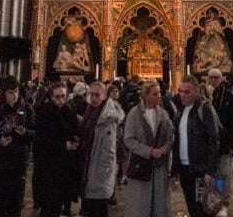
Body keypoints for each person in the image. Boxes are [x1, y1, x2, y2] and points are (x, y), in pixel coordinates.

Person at [170, 75, 221, 217]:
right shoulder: (180, 112)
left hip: (201, 171)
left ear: (197, 91)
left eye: (187, 92)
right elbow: (177, 143)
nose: (182, 95)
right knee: (192, 208)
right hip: (186, 170)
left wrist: (210, 171)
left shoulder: (205, 109)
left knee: (203, 209)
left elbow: (214, 140)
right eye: (180, 91)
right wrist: (174, 171)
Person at [0, 75, 34, 217]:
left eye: (16, 91)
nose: (14, 95)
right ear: (4, 93)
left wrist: (26, 132)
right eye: (10, 92)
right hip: (1, 161)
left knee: (16, 202)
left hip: (19, 161)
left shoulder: (27, 108)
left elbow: (36, 132)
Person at [122, 79, 173, 217]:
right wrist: (149, 151)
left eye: (160, 93)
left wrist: (165, 148)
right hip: (141, 166)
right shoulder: (134, 113)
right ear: (146, 96)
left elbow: (170, 137)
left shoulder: (163, 114)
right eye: (155, 94)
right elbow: (128, 139)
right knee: (140, 205)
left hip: (159, 167)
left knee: (159, 205)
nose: (159, 96)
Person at [32, 82, 80, 217]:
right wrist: (63, 145)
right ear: (51, 97)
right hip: (50, 168)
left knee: (57, 206)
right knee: (50, 207)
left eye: (63, 96)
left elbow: (73, 131)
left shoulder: (68, 111)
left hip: (65, 166)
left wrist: (75, 141)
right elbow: (41, 141)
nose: (60, 100)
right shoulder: (44, 113)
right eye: (57, 97)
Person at [78, 81, 123, 217]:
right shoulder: (91, 110)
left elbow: (109, 151)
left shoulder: (107, 118)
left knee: (98, 208)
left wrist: (103, 175)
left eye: (97, 95)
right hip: (89, 164)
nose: (93, 98)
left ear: (104, 96)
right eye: (91, 94)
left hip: (98, 170)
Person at [206, 69, 233, 204]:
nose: (214, 81)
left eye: (216, 78)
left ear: (221, 79)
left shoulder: (229, 97)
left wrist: (232, 144)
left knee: (223, 174)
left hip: (224, 143)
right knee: (210, 175)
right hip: (208, 145)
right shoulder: (205, 96)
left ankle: (223, 201)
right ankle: (210, 201)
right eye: (211, 78)